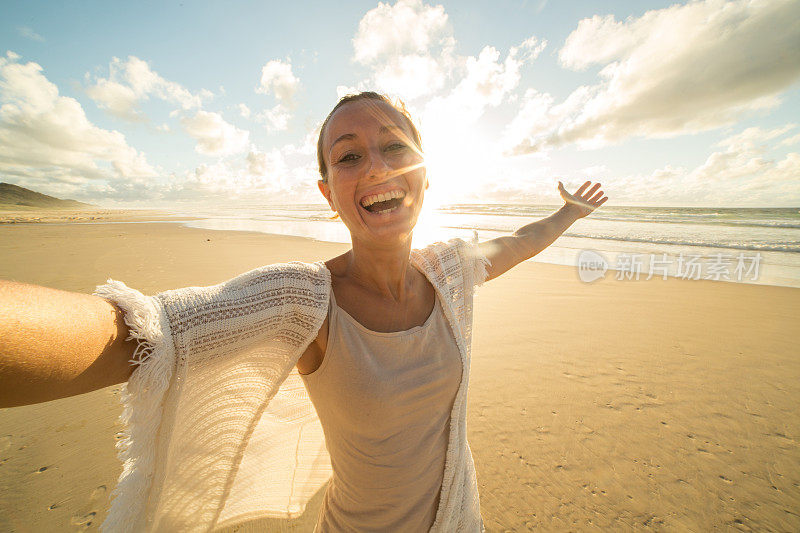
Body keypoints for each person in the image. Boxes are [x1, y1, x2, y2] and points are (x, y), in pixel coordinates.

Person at [0, 91, 607, 532]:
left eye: (394, 147)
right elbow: (153, 334)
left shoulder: (449, 273)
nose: (375, 165)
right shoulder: (307, 301)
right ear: (326, 192)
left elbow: (517, 243)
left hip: (460, 519)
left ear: (424, 174)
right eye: (348, 157)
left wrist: (566, 216)